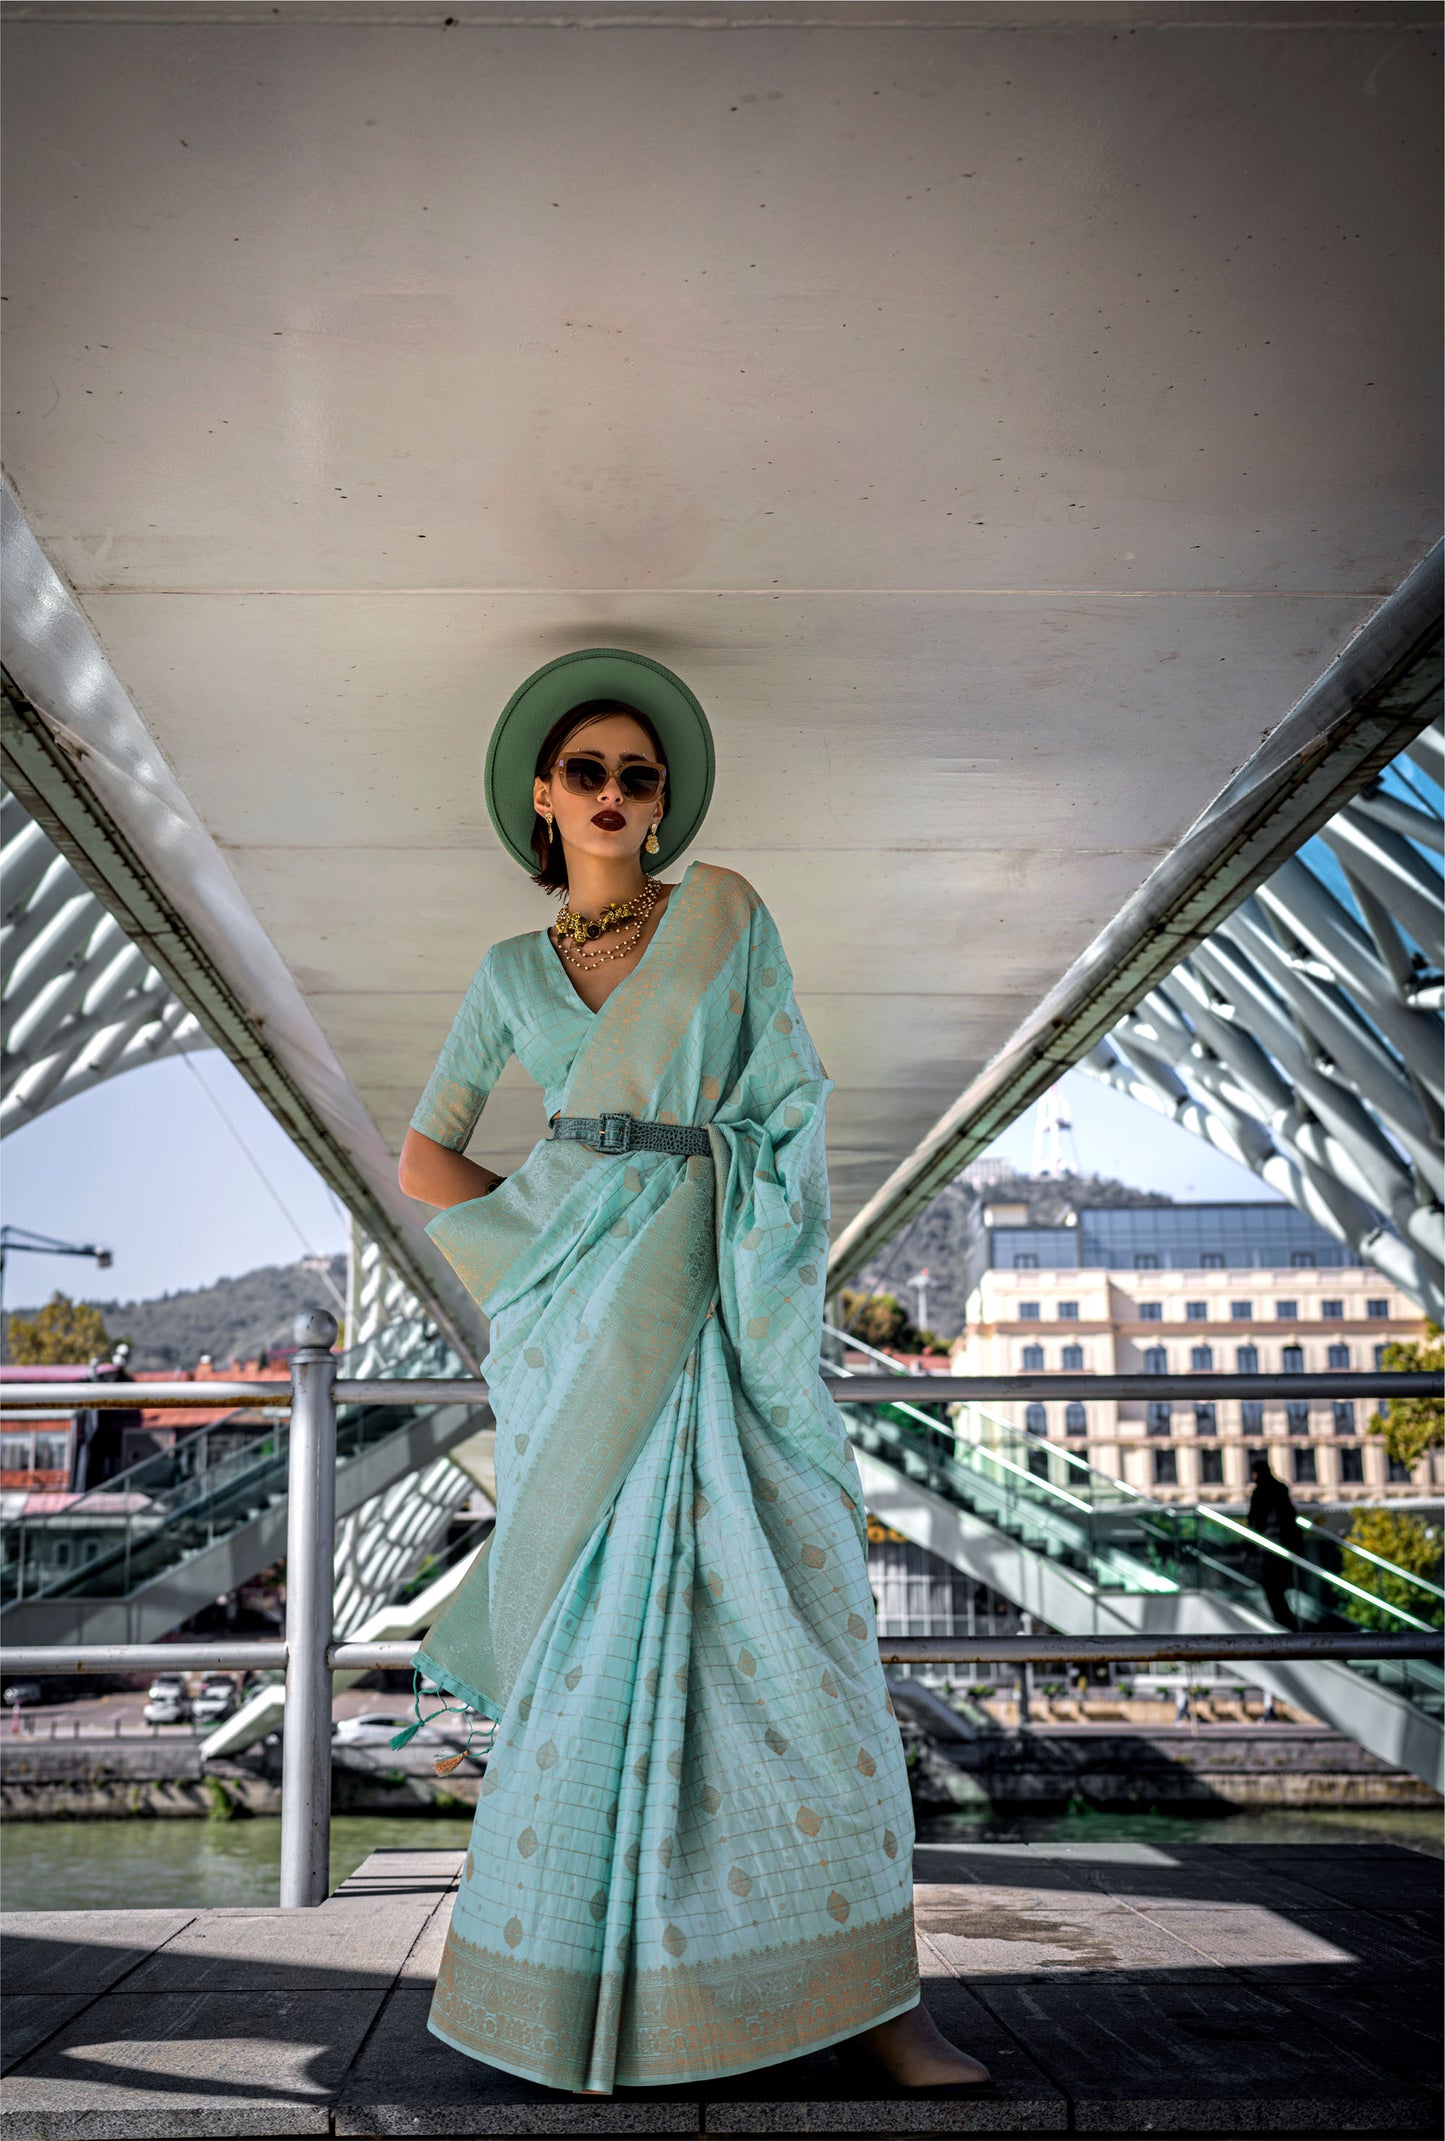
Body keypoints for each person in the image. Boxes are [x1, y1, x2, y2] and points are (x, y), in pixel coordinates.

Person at [398, 649, 990, 2098]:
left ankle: (871, 2000)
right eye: (585, 772)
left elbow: (788, 1108)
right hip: (578, 1340)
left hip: (722, 1317)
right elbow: (424, 1153)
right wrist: (548, 1234)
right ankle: (573, 2003)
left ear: (661, 808)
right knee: (587, 1663)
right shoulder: (504, 977)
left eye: (636, 776)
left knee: (806, 1653)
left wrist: (701, 1188)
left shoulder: (723, 919)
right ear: (543, 800)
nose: (611, 792)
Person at [1246, 1454, 1302, 1631]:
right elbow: (1290, 1514)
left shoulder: (1260, 1492)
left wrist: (1251, 1543)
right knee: (1279, 1586)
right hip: (1285, 1544)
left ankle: (1286, 1625)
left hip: (1269, 1546)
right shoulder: (1281, 1488)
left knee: (1272, 1588)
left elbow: (1255, 1519)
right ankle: (1289, 1624)